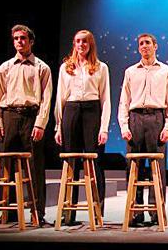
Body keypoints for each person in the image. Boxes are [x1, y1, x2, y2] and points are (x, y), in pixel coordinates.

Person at [0, 24, 52, 226]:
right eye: (16, 38)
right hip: (9, 115)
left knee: (34, 167)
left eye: (23, 38)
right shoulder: (5, 67)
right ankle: (7, 212)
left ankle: (38, 213)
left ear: (31, 41)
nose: (20, 41)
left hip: (31, 116)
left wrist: (41, 123)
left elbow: (46, 98)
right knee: (7, 167)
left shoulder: (41, 67)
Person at [118, 33, 168, 226]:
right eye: (141, 44)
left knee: (157, 168)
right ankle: (135, 211)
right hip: (135, 118)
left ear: (155, 46)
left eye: (148, 43)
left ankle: (156, 210)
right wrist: (124, 126)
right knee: (134, 167)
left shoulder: (166, 70)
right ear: (138, 48)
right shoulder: (130, 71)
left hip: (156, 118)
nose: (144, 46)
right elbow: (124, 101)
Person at [54, 29, 111, 225]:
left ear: (90, 44)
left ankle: (97, 211)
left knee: (95, 161)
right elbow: (60, 98)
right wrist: (58, 126)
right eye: (78, 41)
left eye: (85, 42)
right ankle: (69, 212)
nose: (81, 45)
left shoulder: (100, 67)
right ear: (74, 44)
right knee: (71, 162)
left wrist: (104, 128)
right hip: (71, 110)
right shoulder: (65, 68)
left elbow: (106, 99)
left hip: (92, 110)